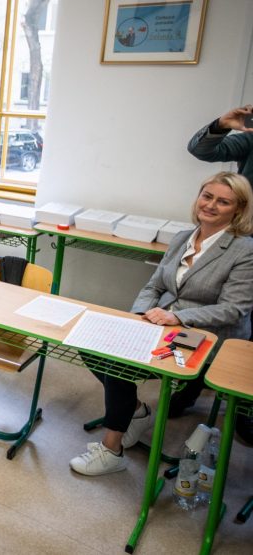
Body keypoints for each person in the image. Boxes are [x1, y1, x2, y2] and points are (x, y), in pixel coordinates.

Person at [70, 172, 253, 475]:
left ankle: (111, 450)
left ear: (238, 209)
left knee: (119, 364)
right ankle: (136, 411)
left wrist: (178, 317)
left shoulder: (244, 250)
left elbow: (235, 309)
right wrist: (139, 317)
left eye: (223, 202)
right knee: (88, 342)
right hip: (161, 325)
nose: (210, 205)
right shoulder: (184, 238)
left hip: (207, 338)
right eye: (207, 196)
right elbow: (153, 287)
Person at [187, 105, 253, 446]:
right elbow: (201, 149)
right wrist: (221, 125)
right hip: (239, 235)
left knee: (242, 322)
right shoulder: (250, 141)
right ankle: (194, 381)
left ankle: (242, 403)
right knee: (213, 304)